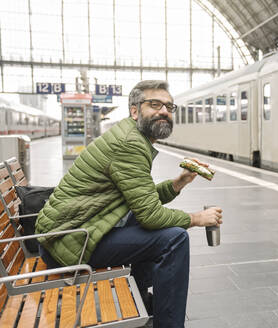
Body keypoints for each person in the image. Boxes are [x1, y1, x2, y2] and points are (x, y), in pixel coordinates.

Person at [35, 80, 223, 328]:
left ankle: (143, 303)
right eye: (154, 104)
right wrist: (197, 219)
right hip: (69, 244)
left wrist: (178, 183)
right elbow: (151, 216)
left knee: (148, 226)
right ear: (134, 111)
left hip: (70, 235)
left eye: (168, 106)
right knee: (174, 239)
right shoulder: (130, 144)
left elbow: (142, 202)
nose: (164, 111)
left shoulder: (131, 137)